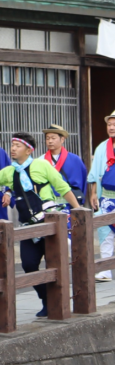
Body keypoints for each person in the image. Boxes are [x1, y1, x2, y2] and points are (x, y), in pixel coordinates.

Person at [0, 133, 79, 319]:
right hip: (27, 226)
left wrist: (78, 211)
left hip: (49, 222)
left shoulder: (41, 165)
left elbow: (62, 187)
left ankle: (59, 302)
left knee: (53, 264)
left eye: (17, 145)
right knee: (29, 265)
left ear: (29, 149)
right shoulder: (9, 171)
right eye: (12, 145)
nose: (13, 148)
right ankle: (46, 299)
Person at [88, 110, 115, 282]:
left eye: (114, 124)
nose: (111, 127)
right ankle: (106, 270)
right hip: (106, 196)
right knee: (105, 231)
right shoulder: (101, 147)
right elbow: (96, 173)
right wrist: (92, 193)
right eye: (109, 124)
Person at [42, 124, 87, 205]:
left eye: (53, 138)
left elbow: (83, 181)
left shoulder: (75, 160)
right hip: (49, 204)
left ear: (62, 139)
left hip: (70, 204)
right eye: (47, 138)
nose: (50, 141)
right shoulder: (41, 160)